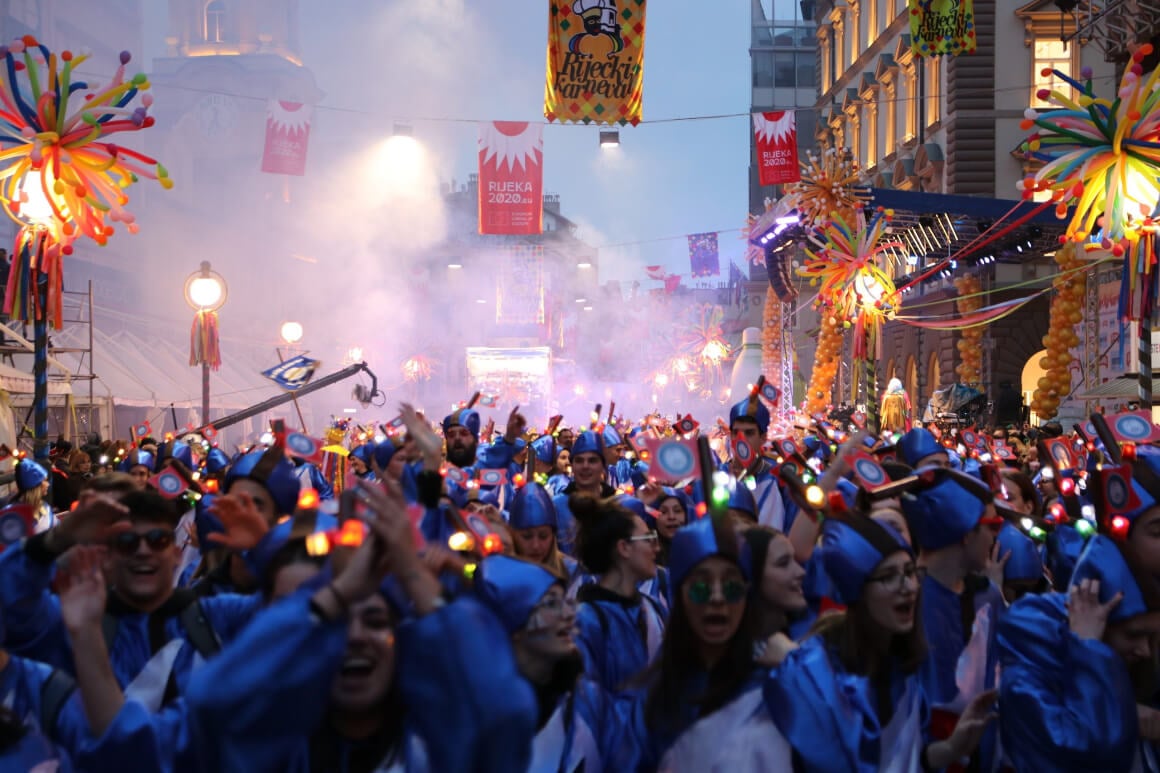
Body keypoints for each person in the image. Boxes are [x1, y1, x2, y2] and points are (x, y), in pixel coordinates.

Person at [58, 477, 540, 772]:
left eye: (374, 619)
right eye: (331, 622)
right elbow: (210, 706)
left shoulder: (434, 737)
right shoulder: (253, 739)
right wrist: (326, 602)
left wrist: (415, 580)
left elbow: (504, 716)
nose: (351, 638)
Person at [765, 514, 996, 771]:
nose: (907, 586)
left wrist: (951, 748)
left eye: (910, 572)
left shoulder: (902, 665)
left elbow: (904, 760)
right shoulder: (813, 673)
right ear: (857, 591)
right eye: (888, 576)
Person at [0, 488, 258, 709]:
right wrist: (55, 540)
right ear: (108, 556)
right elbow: (12, 608)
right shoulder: (73, 624)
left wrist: (262, 550)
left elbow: (294, 613)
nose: (143, 551)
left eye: (158, 540)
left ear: (177, 554)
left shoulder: (218, 619)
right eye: (127, 541)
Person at [629, 516, 790, 769]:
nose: (717, 597)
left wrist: (798, 665)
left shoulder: (780, 686)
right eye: (701, 586)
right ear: (679, 595)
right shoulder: (647, 701)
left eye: (731, 586)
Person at [997, 534, 1160, 770]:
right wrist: (1088, 647)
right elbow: (1083, 754)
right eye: (1133, 635)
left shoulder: (1129, 662)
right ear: (1093, 618)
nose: (1145, 650)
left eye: (1152, 637)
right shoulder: (1027, 668)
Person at [475, 553, 634, 771]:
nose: (569, 614)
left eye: (565, 602)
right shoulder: (474, 719)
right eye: (551, 604)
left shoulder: (589, 701)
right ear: (513, 622)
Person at [901, 467, 1006, 770]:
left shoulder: (989, 596)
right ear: (965, 532)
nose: (997, 535)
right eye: (992, 524)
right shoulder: (906, 601)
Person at [571, 494, 666, 693]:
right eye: (648, 539)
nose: (656, 548)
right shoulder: (585, 622)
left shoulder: (652, 609)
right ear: (624, 548)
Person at [743, 526, 808, 665]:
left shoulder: (812, 635)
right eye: (783, 563)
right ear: (752, 576)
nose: (801, 572)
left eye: (795, 560)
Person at [552, 430, 616, 555]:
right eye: (579, 461)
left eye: (592, 461)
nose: (585, 466)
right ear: (572, 465)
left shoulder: (616, 504)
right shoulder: (556, 506)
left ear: (602, 466)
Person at [8, 459, 54, 533]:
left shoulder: (45, 507)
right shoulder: (14, 518)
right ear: (35, 487)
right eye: (44, 480)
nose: (48, 484)